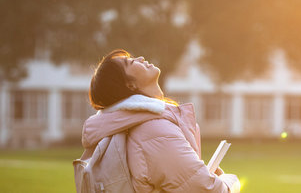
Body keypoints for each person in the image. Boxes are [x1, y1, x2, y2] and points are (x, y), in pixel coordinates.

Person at [82, 49, 240, 192]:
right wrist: (229, 181)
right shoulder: (154, 129)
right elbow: (207, 190)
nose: (141, 58)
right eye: (131, 62)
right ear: (129, 84)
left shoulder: (139, 124)